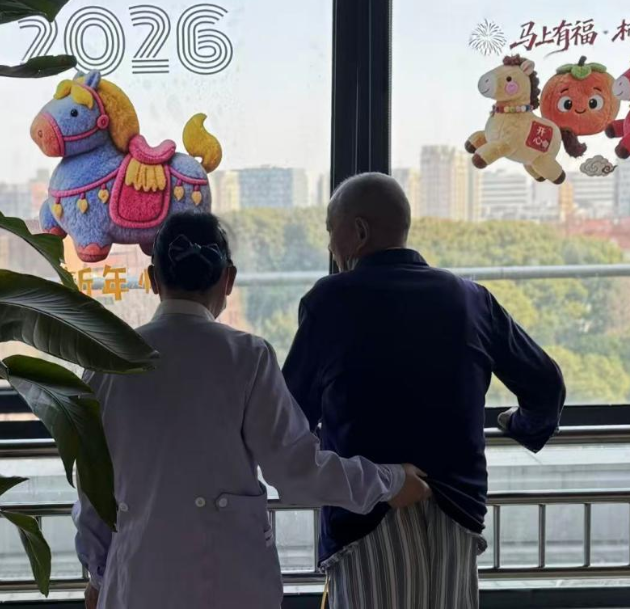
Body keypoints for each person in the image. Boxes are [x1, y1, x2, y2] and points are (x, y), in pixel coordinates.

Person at [72, 211, 431, 609]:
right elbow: (297, 471)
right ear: (228, 279)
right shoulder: (246, 357)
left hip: (134, 584)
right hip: (230, 584)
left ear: (153, 280)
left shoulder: (105, 366)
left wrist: (98, 576)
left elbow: (92, 495)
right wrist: (389, 482)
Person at [283, 172, 566, 609]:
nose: (331, 247)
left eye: (330, 232)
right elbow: (547, 387)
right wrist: (519, 425)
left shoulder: (331, 301)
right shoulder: (472, 299)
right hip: (455, 513)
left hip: (368, 516)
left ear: (358, 232)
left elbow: (288, 416)